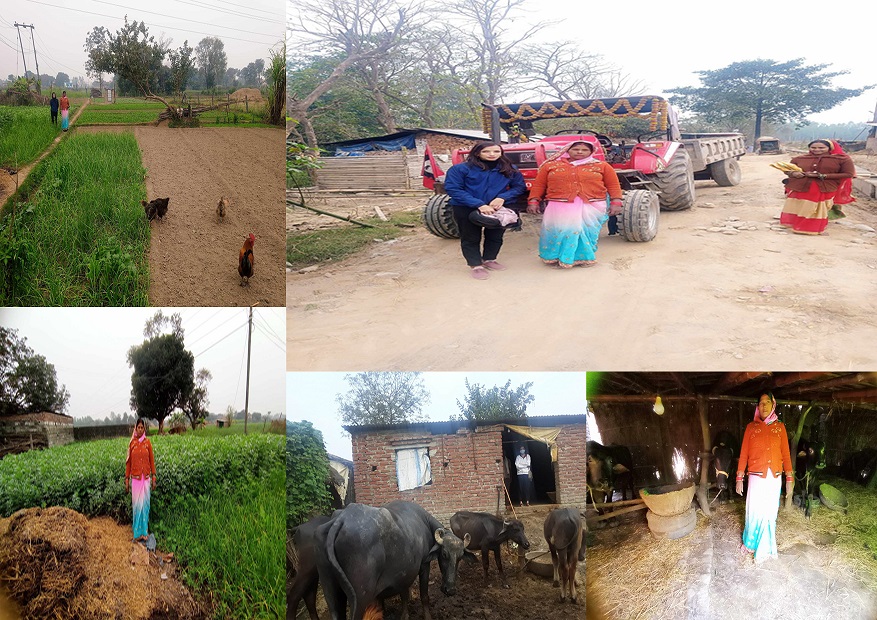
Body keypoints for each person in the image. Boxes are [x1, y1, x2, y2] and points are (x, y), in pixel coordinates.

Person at [527, 141, 622, 268]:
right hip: (559, 205)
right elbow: (539, 185)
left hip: (592, 204)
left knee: (583, 231)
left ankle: (582, 258)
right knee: (560, 231)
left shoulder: (602, 166)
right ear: (567, 150)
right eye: (576, 149)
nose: (580, 152)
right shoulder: (550, 166)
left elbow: (613, 185)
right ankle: (555, 256)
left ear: (591, 152)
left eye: (584, 150)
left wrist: (616, 201)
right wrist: (533, 201)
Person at [443, 142, 526, 280]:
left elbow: (519, 187)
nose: (492, 154)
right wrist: (479, 204)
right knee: (470, 236)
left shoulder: (509, 169)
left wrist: (502, 197)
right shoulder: (460, 169)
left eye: (496, 151)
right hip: (465, 206)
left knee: (495, 235)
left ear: (501, 153)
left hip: (496, 208)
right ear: (477, 153)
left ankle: (490, 260)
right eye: (486, 152)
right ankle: (475, 265)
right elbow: (453, 189)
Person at [735, 393, 794, 563]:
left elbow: (786, 454)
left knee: (769, 512)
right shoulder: (750, 428)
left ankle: (766, 547)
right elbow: (744, 453)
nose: (764, 406)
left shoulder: (780, 427)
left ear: (773, 405)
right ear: (757, 407)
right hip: (756, 477)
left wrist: (790, 478)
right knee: (755, 511)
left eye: (768, 402)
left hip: (774, 478)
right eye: (761, 403)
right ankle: (751, 544)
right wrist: (739, 477)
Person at [780, 139, 855, 235]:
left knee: (815, 207)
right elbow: (787, 170)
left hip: (824, 187)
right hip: (801, 186)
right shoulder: (799, 159)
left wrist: (823, 176)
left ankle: (810, 228)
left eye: (821, 148)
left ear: (829, 148)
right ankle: (795, 224)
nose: (817, 150)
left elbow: (848, 174)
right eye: (813, 147)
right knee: (800, 205)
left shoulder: (842, 159)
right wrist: (794, 173)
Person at [125, 418, 157, 542]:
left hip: (146, 479)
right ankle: (137, 534)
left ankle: (144, 533)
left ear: (144, 429)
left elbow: (152, 460)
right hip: (136, 480)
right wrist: (126, 480)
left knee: (145, 505)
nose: (140, 429)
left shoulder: (147, 443)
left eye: (142, 427)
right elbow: (128, 463)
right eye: (138, 427)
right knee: (137, 506)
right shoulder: (132, 444)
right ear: (135, 428)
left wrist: (154, 476)